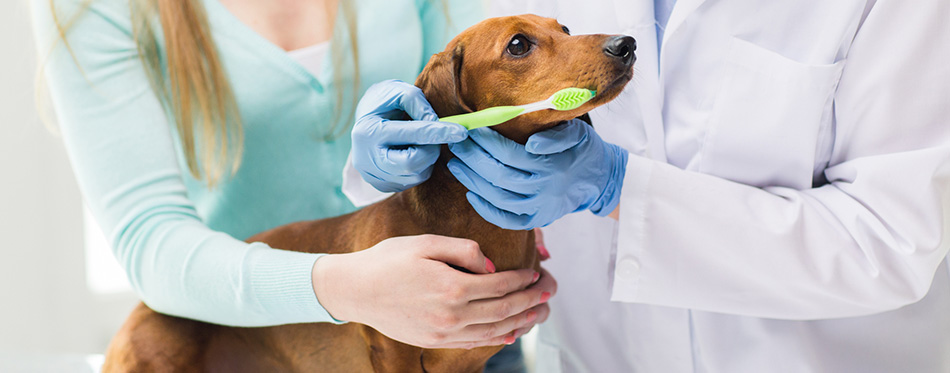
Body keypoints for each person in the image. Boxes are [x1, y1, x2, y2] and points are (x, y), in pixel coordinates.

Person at [347, 0, 950, 371]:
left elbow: (890, 241)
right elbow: (475, 83)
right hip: (594, 357)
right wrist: (399, 156)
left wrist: (618, 189)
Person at [32, 0, 555, 365]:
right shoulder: (94, 8)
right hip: (239, 349)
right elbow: (150, 242)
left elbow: (502, 98)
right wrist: (346, 288)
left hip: (457, 339)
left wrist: (536, 181)